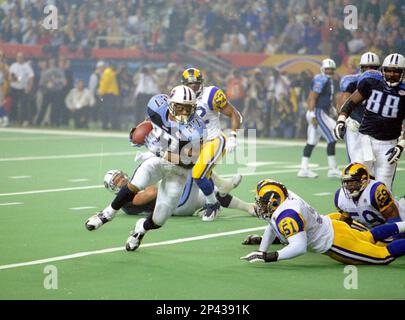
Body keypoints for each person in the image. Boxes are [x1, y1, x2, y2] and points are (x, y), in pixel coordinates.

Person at [85, 85, 205, 252]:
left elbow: (189, 162)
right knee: (137, 183)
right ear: (171, 104)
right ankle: (106, 214)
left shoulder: (196, 128)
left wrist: (161, 151)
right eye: (180, 106)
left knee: (159, 220)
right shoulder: (157, 106)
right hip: (158, 161)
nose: (184, 111)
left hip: (179, 170)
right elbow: (149, 123)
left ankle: (141, 229)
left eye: (188, 108)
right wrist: (138, 133)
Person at [240, 179, 405, 265]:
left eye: (262, 201)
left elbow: (299, 247)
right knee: (368, 236)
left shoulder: (288, 215)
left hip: (336, 242)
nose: (259, 205)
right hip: (333, 223)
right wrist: (262, 250)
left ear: (274, 201)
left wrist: (269, 256)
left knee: (383, 255)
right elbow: (272, 224)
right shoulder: (284, 197)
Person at [334, 53, 405, 190]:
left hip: (389, 144)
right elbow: (351, 102)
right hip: (365, 139)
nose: (391, 74)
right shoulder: (371, 81)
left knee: (383, 189)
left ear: (403, 72)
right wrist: (341, 119)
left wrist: (401, 145)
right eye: (388, 70)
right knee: (355, 181)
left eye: (396, 71)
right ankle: (353, 211)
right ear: (383, 70)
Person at [181, 67, 243, 221]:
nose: (193, 87)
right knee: (198, 170)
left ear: (201, 83)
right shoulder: (180, 97)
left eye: (196, 84)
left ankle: (213, 204)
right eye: (190, 84)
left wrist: (233, 136)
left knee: (198, 174)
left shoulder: (211, 94)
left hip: (214, 139)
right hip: (196, 143)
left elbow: (235, 114)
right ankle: (224, 186)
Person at [102, 169, 255, 217]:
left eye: (121, 176)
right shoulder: (126, 202)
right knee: (192, 167)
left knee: (212, 193)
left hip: (180, 199)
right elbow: (153, 192)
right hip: (176, 206)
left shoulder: (134, 185)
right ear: (112, 187)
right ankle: (223, 184)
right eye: (117, 180)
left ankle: (248, 207)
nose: (121, 179)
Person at [297, 58, 341, 179]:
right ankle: (332, 169)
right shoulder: (321, 79)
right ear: (323, 69)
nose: (329, 71)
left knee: (311, 142)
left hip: (322, 112)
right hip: (317, 112)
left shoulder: (329, 80)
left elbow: (326, 99)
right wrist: (312, 115)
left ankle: (303, 169)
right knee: (332, 138)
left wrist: (332, 110)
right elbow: (312, 97)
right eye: (327, 69)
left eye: (331, 69)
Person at [334, 162, 405, 231]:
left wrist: (396, 238)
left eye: (352, 181)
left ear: (364, 180)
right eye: (346, 182)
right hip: (370, 230)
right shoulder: (340, 196)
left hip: (393, 226)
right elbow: (345, 221)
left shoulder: (375, 190)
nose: (349, 185)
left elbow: (394, 219)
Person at [338, 52, 381, 163]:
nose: (369, 70)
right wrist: (344, 119)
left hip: (374, 127)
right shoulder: (352, 82)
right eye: (366, 67)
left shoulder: (385, 83)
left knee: (374, 162)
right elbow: (343, 103)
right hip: (355, 124)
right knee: (355, 160)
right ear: (361, 68)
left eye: (373, 67)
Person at [8, 52, 34, 125]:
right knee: (13, 105)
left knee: (24, 105)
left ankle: (24, 120)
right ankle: (13, 120)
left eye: (21, 57)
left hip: (23, 88)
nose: (19, 58)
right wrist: (18, 79)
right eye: (18, 57)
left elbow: (31, 77)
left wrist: (29, 87)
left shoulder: (27, 66)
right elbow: (10, 76)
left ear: (23, 58)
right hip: (13, 88)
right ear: (16, 58)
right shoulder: (13, 65)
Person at [98, 61, 120, 130]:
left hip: (107, 95)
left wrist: (101, 93)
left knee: (107, 110)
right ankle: (112, 125)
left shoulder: (107, 72)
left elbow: (105, 84)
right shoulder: (109, 72)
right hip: (110, 95)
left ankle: (106, 125)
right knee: (110, 110)